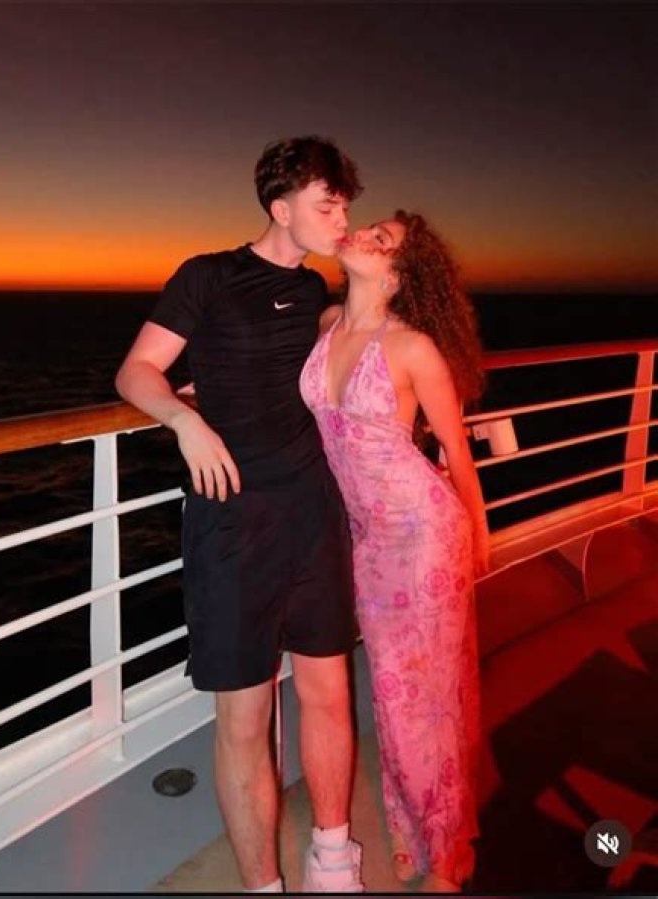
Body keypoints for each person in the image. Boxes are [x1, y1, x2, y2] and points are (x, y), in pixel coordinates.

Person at [115, 136, 365, 893]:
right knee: (245, 718)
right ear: (281, 208)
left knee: (329, 690)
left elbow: (328, 346)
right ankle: (264, 886)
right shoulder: (208, 276)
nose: (343, 220)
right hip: (232, 519)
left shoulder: (316, 286)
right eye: (329, 206)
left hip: (313, 509)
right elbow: (137, 370)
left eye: (344, 207)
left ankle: (334, 859)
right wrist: (184, 420)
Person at [299, 210, 489, 893]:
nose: (362, 235)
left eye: (381, 241)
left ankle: (449, 852)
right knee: (392, 692)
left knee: (428, 699)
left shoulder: (412, 348)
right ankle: (413, 828)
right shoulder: (326, 323)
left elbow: (457, 454)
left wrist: (479, 540)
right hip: (369, 540)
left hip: (424, 534)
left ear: (399, 275)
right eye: (370, 228)